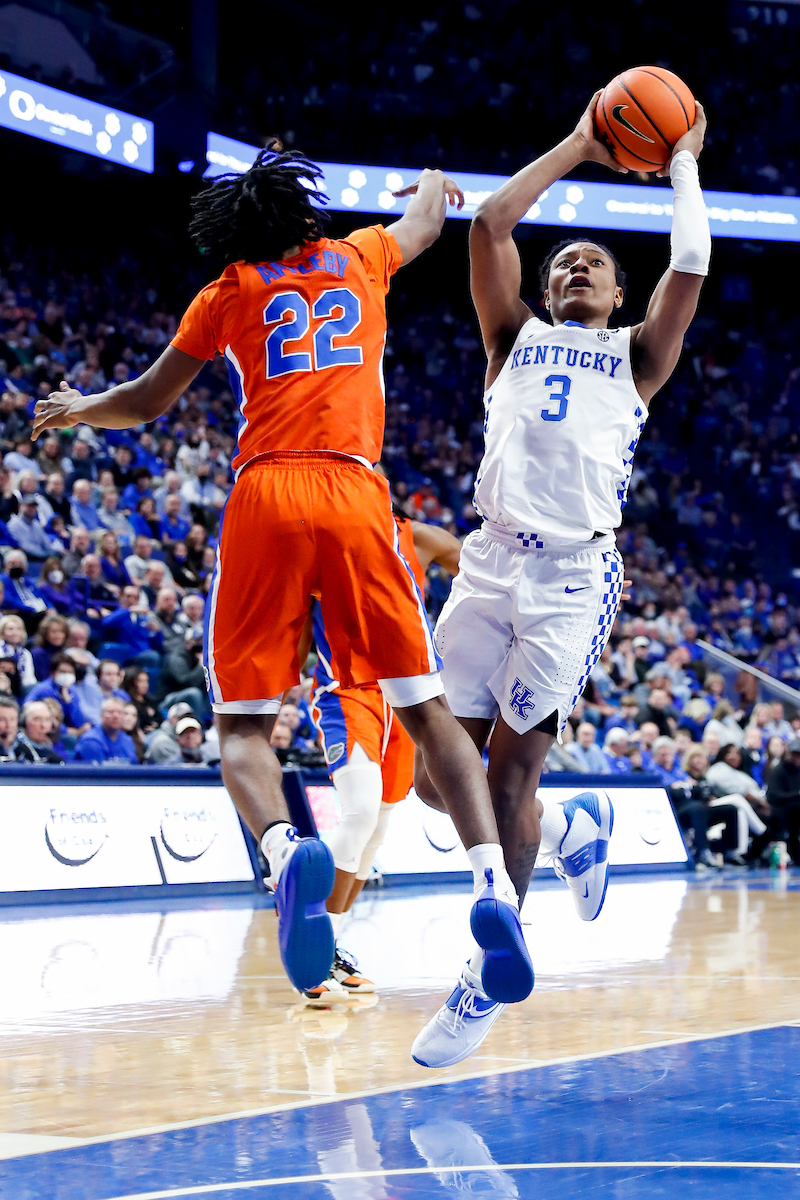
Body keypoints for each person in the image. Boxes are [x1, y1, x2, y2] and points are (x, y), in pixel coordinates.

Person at [33, 144, 533, 1016]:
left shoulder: (227, 291)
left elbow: (149, 400)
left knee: (242, 727)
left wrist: (83, 408)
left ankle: (278, 847)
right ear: (306, 215)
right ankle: (495, 889)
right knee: (429, 715)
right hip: (352, 488)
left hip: (264, 493)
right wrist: (426, 184)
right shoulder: (360, 255)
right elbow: (425, 225)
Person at [412, 92, 710, 1067]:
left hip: (573, 576)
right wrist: (584, 143)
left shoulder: (637, 355)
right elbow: (492, 222)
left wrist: (677, 163)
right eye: (561, 262)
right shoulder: (507, 338)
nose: (574, 263)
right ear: (541, 292)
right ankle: (580, 824)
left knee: (508, 774)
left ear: (618, 295)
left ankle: (485, 969)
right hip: (488, 557)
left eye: (593, 262)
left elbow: (693, 262)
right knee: (430, 780)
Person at [307, 511, 462, 999]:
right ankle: (310, 947)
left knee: (376, 830)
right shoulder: (317, 532)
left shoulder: (419, 537)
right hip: (347, 688)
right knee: (359, 812)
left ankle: (328, 946)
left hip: (407, 694)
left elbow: (485, 574)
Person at [668, 746, 739, 871]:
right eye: (697, 757)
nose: (700, 761)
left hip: (700, 809)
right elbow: (675, 793)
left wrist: (689, 789)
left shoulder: (696, 776)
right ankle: (703, 853)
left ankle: (730, 852)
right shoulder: (678, 773)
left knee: (731, 809)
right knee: (698, 808)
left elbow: (702, 793)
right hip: (681, 811)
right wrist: (690, 789)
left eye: (703, 758)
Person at [26, 653, 92, 738]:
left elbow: (79, 722)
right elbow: (36, 716)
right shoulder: (43, 690)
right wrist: (68, 730)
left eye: (70, 672)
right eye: (63, 672)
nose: (66, 675)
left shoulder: (72, 690)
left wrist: (68, 701)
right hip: (46, 731)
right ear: (53, 673)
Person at [156, 630, 209, 720]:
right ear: (188, 643)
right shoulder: (177, 658)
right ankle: (200, 729)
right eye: (197, 641)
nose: (201, 645)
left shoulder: (195, 656)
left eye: (202, 641)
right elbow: (186, 683)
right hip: (169, 696)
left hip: (187, 692)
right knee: (194, 693)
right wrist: (201, 666)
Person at [765, 737, 800, 864]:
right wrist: (797, 794)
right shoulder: (778, 771)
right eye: (794, 754)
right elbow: (773, 795)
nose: (797, 758)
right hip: (781, 809)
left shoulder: (798, 770)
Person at [74, 696, 139, 764]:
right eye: (110, 712)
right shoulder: (91, 740)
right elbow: (96, 772)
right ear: (101, 715)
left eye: (120, 712)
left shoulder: (128, 741)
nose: (116, 716)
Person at [13, 699, 65, 763]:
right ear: (24, 722)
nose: (43, 725)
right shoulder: (15, 748)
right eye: (37, 719)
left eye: (47, 720)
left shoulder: (53, 754)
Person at [0, 613, 36, 690]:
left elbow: (29, 679)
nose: (15, 633)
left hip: (20, 688)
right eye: (10, 629)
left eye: (19, 629)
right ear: (2, 632)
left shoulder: (25, 653)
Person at [30, 613, 70, 680]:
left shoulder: (65, 653)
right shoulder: (38, 653)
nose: (58, 635)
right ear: (45, 634)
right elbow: (43, 678)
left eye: (62, 632)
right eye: (54, 632)